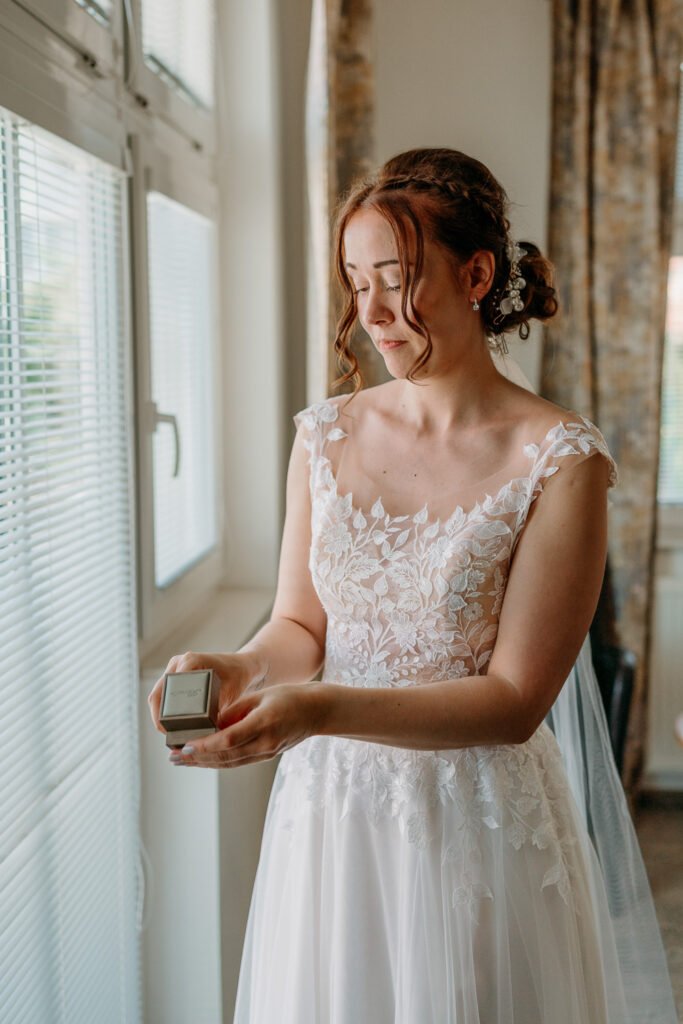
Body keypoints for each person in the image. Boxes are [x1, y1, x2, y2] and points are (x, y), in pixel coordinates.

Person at [148, 148, 678, 1023]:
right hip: (331, 817)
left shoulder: (559, 460)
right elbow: (299, 623)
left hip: (478, 824)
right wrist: (243, 666)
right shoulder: (323, 435)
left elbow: (513, 701)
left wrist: (317, 709)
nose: (373, 312)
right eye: (358, 283)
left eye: (396, 278)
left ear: (475, 274)